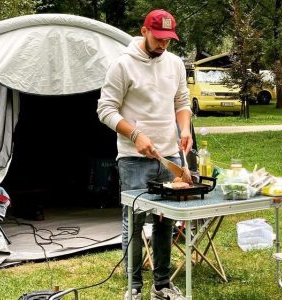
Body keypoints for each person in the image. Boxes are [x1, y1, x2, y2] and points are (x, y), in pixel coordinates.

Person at [97, 8, 192, 300]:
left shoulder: (175, 63)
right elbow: (105, 110)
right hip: (134, 158)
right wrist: (135, 135)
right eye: (159, 37)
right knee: (135, 222)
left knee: (166, 221)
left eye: (168, 39)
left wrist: (184, 129)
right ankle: (134, 287)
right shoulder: (122, 66)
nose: (163, 44)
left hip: (170, 156)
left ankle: (161, 285)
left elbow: (182, 100)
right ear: (144, 31)